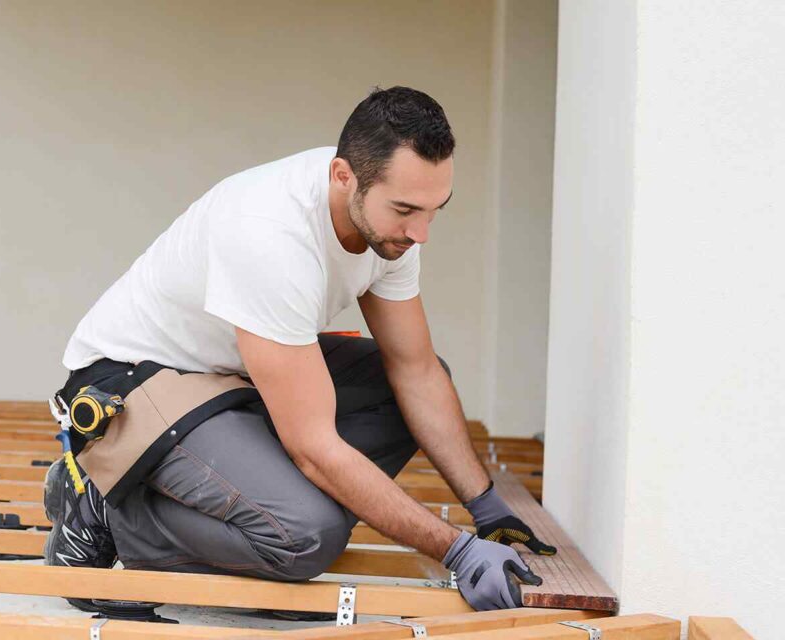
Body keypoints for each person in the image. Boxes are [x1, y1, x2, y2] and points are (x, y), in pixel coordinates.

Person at [44, 86, 555, 613]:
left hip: (231, 374)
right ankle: (107, 512)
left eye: (434, 210)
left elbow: (417, 371)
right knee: (305, 535)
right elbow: (313, 447)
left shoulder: (390, 225)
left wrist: (487, 507)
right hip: (137, 382)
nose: (421, 232)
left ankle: (255, 520)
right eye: (405, 210)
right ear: (343, 177)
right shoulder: (270, 236)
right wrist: (459, 552)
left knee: (406, 393)